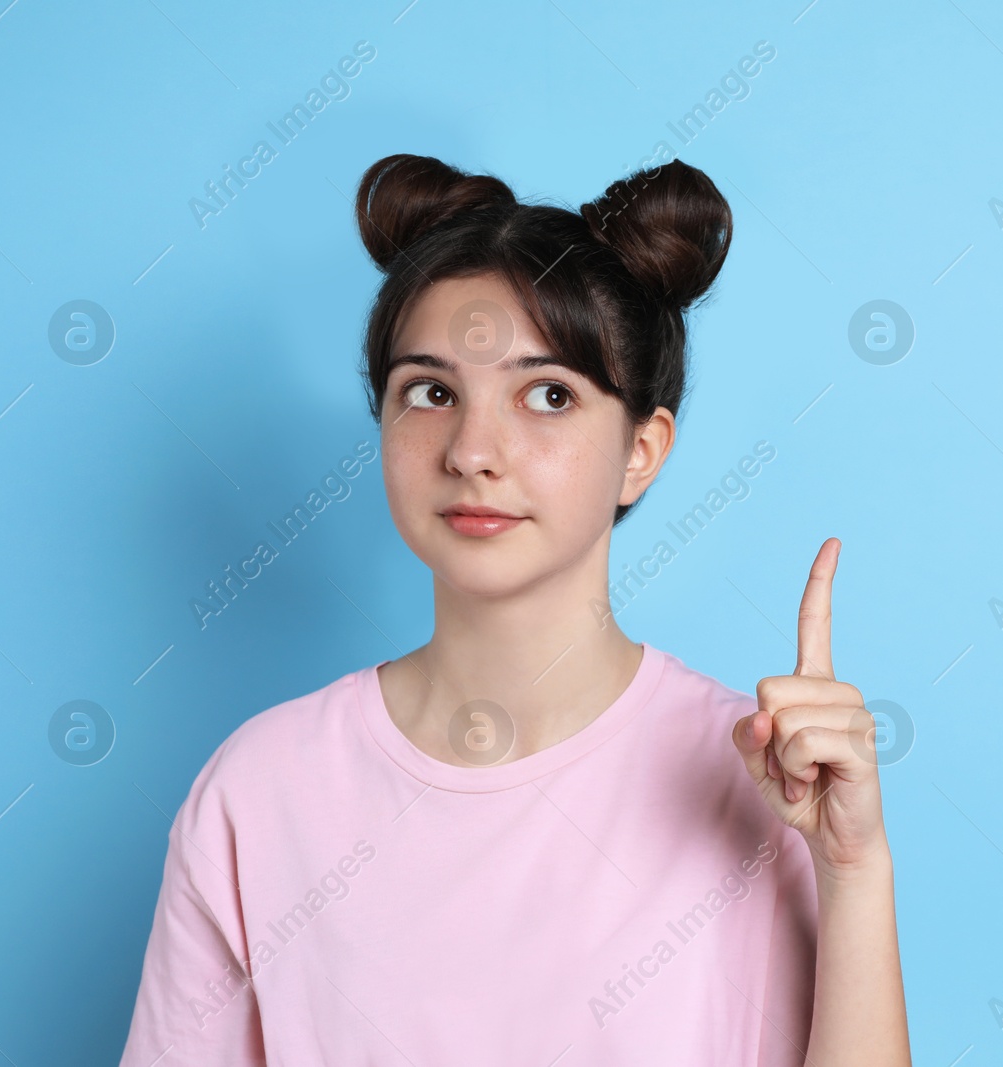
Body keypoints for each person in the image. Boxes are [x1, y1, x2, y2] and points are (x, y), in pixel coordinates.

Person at [117, 153, 909, 1065]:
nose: (473, 450)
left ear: (642, 451)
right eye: (431, 391)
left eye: (548, 394)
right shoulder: (260, 790)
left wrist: (853, 870)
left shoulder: (772, 780)